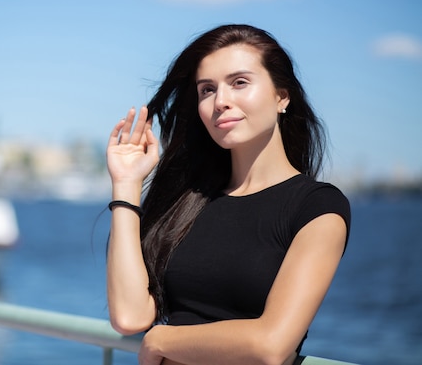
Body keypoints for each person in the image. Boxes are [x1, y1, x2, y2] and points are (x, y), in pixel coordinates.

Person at [105, 24, 351, 365]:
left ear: (282, 95)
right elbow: (129, 318)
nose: (220, 102)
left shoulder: (317, 207)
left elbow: (271, 345)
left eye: (239, 83)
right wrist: (126, 185)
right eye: (207, 90)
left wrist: (164, 339)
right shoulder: (189, 200)